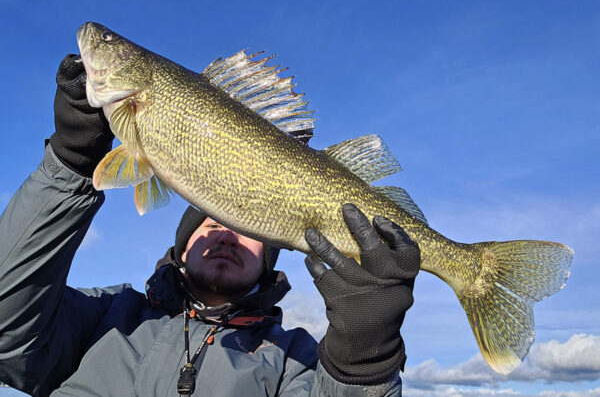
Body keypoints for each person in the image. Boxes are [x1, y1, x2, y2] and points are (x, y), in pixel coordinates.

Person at [0, 55, 420, 396]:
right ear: (182, 243)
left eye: (243, 226)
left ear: (272, 243)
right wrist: (70, 164)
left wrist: (363, 361)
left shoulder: (297, 362)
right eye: (209, 221)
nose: (224, 233)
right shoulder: (103, 318)